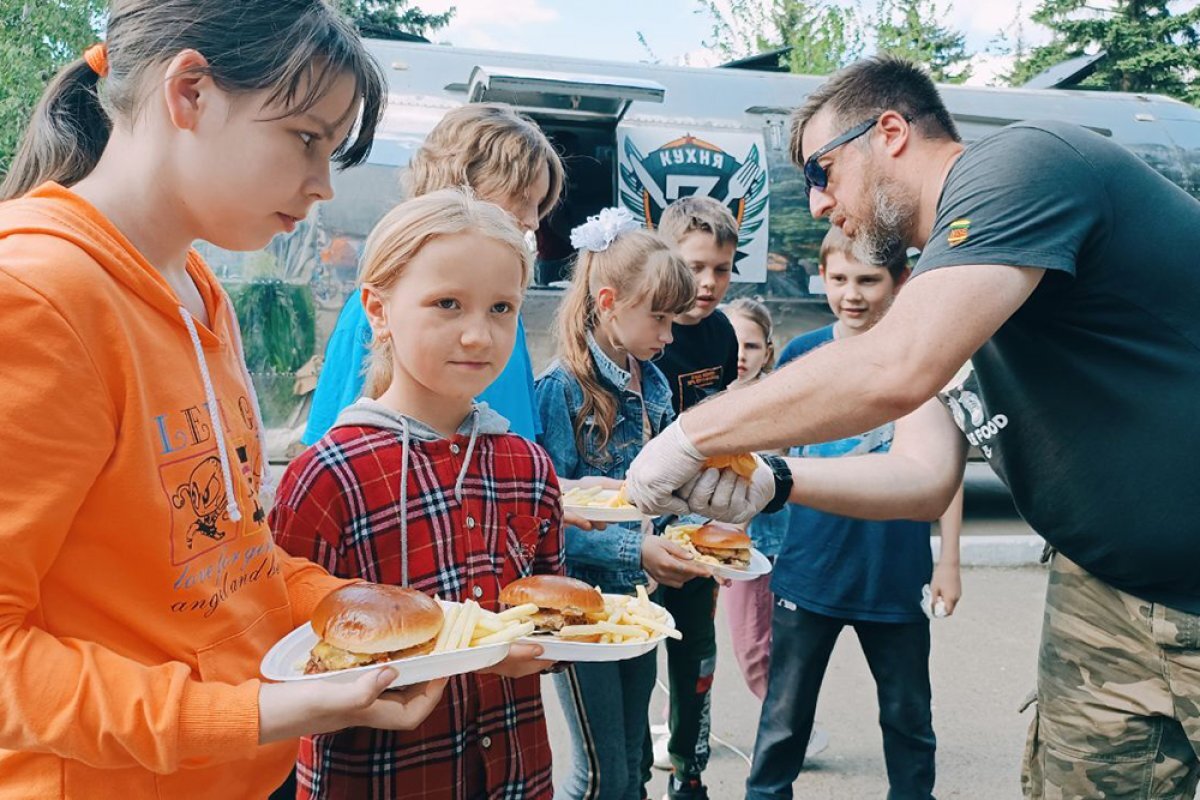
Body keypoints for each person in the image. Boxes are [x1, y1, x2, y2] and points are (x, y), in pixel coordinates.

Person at [625, 54, 1200, 799]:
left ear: (890, 131)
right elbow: (923, 475)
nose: (821, 203)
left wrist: (692, 436)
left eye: (822, 172)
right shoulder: (955, 285)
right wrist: (776, 482)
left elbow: (892, 369)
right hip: (1108, 594)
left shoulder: (1025, 165)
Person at [0, 3, 449, 798]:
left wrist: (379, 614)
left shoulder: (200, 291)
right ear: (190, 93)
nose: (321, 185)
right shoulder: (38, 295)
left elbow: (225, 554)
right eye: (307, 139)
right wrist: (243, 716)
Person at [272, 189, 564, 799]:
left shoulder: (529, 468)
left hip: (516, 770)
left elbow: (553, 624)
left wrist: (537, 648)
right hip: (377, 778)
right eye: (448, 304)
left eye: (502, 307)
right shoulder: (329, 476)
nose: (479, 335)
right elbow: (285, 655)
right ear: (378, 311)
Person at [746, 227, 962, 800]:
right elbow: (773, 461)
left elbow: (946, 473)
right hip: (809, 568)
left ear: (901, 282)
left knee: (908, 717)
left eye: (869, 280)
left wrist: (950, 563)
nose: (853, 294)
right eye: (839, 279)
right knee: (784, 719)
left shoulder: (923, 362)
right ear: (824, 277)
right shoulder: (802, 353)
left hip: (894, 575)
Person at [534, 207, 709, 800]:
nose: (668, 335)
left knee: (633, 760)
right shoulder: (560, 390)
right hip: (583, 608)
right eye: (659, 318)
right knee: (600, 774)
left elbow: (658, 495)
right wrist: (638, 546)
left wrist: (695, 544)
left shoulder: (655, 384)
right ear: (608, 302)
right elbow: (545, 517)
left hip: (640, 603)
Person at [302, 103, 565, 445]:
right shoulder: (374, 312)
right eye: (522, 198)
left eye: (539, 204)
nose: (533, 220)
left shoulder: (503, 321)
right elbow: (330, 452)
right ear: (464, 185)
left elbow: (519, 446)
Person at [642, 195, 740, 800]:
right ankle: (627, 770)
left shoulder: (724, 334)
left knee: (696, 659)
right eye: (694, 265)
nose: (706, 283)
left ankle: (689, 770)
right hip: (634, 526)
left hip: (695, 528)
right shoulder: (642, 329)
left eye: (721, 269)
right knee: (629, 661)